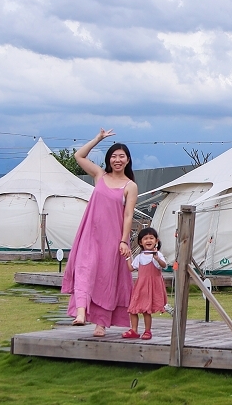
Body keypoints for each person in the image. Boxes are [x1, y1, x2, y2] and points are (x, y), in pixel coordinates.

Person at [60, 129, 137, 337]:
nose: (117, 160)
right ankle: (81, 312)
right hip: (90, 234)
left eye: (122, 156)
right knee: (85, 268)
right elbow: (79, 156)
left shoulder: (130, 186)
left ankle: (100, 324)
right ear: (108, 159)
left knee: (106, 279)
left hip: (113, 240)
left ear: (128, 160)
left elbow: (128, 215)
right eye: (113, 156)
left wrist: (123, 241)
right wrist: (98, 139)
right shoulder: (100, 176)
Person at [123, 227, 168, 340]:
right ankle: (134, 330)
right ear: (140, 242)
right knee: (133, 308)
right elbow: (131, 268)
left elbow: (164, 265)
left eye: (151, 238)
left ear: (156, 241)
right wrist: (128, 257)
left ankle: (147, 331)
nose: (148, 240)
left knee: (146, 310)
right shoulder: (139, 257)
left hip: (152, 286)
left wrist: (157, 258)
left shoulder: (157, 255)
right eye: (145, 238)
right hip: (141, 286)